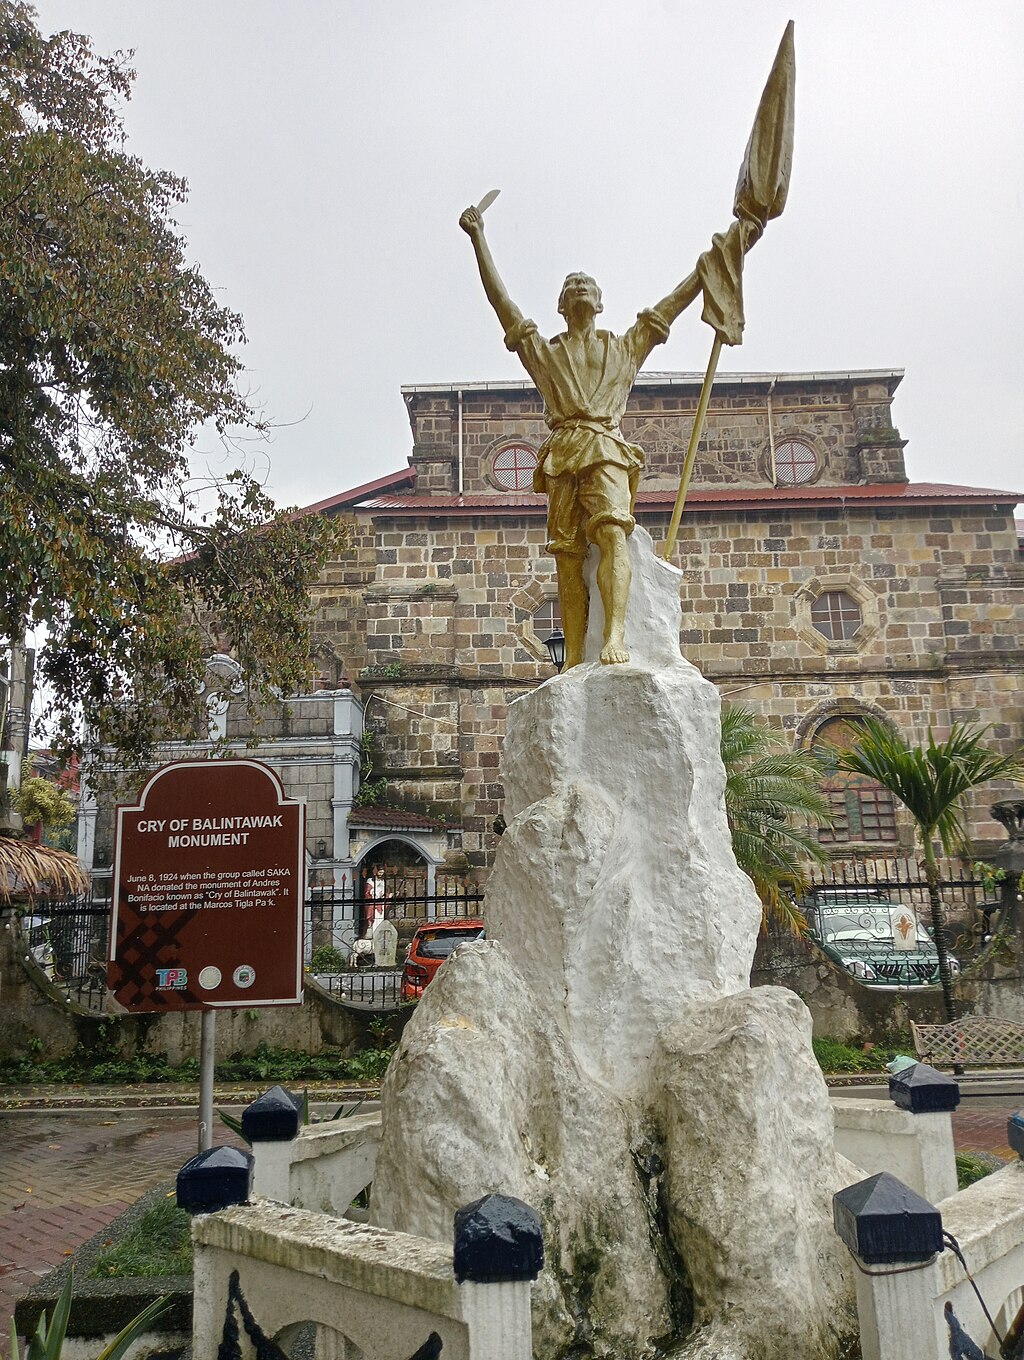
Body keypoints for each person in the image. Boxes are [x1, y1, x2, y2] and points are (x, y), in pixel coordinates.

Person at [460, 205, 759, 668]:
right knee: (567, 555)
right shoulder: (545, 352)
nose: (578, 285)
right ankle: (575, 653)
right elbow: (504, 307)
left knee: (614, 535)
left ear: (600, 302)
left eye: (587, 284)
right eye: (570, 285)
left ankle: (615, 636)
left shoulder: (625, 346)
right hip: (562, 453)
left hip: (606, 447)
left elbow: (674, 302)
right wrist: (479, 240)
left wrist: (726, 252)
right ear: (561, 305)